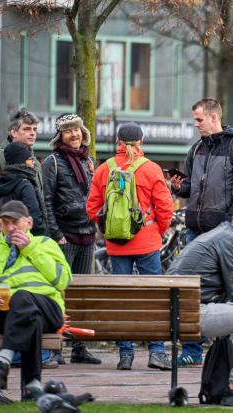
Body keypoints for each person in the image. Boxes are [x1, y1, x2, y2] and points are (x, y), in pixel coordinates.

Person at [168, 98, 233, 366]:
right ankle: (193, 351)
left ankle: (226, 353)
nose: (196, 125)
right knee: (193, 293)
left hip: (224, 234)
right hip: (196, 232)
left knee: (227, 292)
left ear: (214, 118)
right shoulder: (196, 149)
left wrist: (228, 227)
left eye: (199, 120)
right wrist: (178, 187)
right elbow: (192, 189)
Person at [86, 122, 174, 371]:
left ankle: (126, 355)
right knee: (153, 297)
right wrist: (156, 230)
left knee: (122, 298)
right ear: (141, 142)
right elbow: (165, 208)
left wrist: (111, 229)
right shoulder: (151, 169)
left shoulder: (104, 169)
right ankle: (156, 353)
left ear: (117, 142)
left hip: (116, 244)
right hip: (147, 240)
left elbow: (92, 208)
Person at [166, 204, 233, 407]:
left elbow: (232, 293)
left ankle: (225, 387)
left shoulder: (223, 235)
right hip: (188, 313)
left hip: (177, 311)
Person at [0, 201, 71, 399]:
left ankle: (2, 362)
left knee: (22, 297)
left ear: (29, 223)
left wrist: (30, 250)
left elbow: (63, 280)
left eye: (16, 222)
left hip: (49, 310)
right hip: (6, 315)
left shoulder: (46, 244)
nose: (11, 227)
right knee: (31, 317)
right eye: (6, 222)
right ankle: (32, 387)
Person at [41, 113, 100, 365]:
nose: (74, 134)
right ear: (60, 136)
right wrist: (56, 235)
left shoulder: (91, 162)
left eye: (77, 129)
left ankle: (79, 348)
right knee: (58, 293)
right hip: (64, 236)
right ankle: (54, 348)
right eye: (68, 131)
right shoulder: (52, 163)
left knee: (80, 294)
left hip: (88, 235)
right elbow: (46, 202)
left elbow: (96, 196)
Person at [0, 108, 42, 207]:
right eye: (27, 129)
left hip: (33, 220)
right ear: (13, 133)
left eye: (34, 129)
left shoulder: (35, 161)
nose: (32, 133)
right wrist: (12, 199)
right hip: (8, 219)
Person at [0, 142, 47, 238]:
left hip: (4, 236)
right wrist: (42, 237)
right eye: (31, 159)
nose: (33, 162)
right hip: (23, 238)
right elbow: (34, 217)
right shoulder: (25, 184)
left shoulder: (2, 181)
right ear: (23, 162)